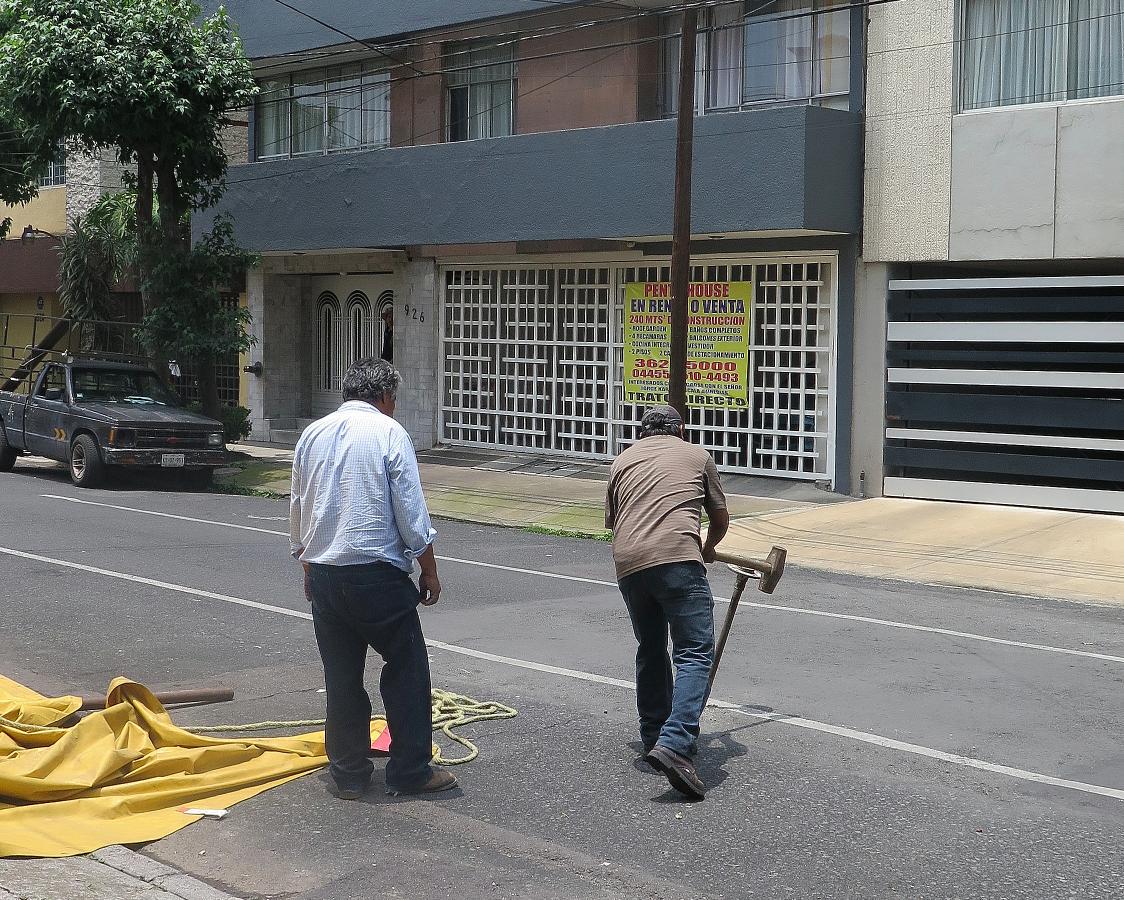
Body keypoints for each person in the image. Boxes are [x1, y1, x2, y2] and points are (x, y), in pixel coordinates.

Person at [290, 357, 456, 799]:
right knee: (406, 670)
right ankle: (410, 771)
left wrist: (307, 566)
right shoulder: (388, 432)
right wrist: (430, 570)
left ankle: (348, 774)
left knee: (342, 677)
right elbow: (410, 512)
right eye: (394, 400)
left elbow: (301, 507)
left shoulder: (312, 434)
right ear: (384, 396)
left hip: (326, 572)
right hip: (376, 575)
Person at [604, 405, 729, 800]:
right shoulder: (697, 455)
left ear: (642, 432)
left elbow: (614, 521)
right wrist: (708, 548)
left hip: (629, 563)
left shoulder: (621, 461)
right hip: (677, 557)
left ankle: (654, 735)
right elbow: (721, 517)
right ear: (681, 429)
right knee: (694, 652)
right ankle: (674, 743)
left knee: (651, 648)